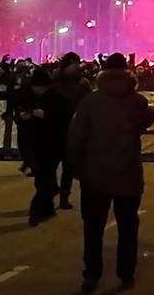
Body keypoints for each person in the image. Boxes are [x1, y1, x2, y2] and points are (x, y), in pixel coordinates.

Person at [67, 53, 154, 293]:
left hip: (94, 176)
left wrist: (75, 168)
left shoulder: (90, 102)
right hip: (127, 173)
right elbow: (146, 121)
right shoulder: (137, 101)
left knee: (93, 228)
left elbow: (76, 137)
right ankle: (126, 272)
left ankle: (92, 273)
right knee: (128, 226)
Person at [21, 67, 68, 224]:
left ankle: (36, 210)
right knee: (43, 179)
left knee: (44, 179)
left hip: (52, 144)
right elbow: (19, 112)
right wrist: (23, 117)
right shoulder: (28, 95)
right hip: (35, 144)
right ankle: (47, 207)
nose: (37, 89)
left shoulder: (56, 98)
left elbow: (64, 119)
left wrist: (46, 116)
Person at [54, 52, 93, 211]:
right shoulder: (83, 83)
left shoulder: (55, 80)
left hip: (55, 126)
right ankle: (64, 196)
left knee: (52, 164)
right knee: (69, 166)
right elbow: (90, 102)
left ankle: (48, 194)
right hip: (73, 126)